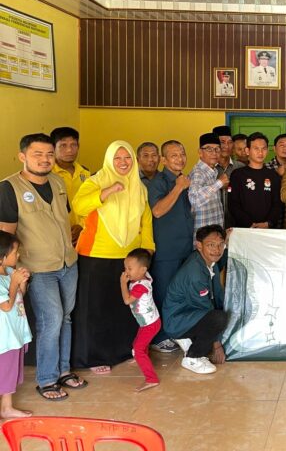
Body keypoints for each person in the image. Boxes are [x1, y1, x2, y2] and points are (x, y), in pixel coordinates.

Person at [0, 134, 85, 401]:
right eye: (38, 154)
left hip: (68, 263)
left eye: (49, 154)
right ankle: (47, 379)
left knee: (67, 317)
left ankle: (63, 370)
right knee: (51, 321)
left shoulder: (58, 182)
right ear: (22, 156)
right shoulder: (8, 188)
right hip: (37, 267)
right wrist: (12, 275)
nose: (45, 159)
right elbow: (5, 238)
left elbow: (63, 218)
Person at [71, 140, 154, 374]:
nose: (123, 162)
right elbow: (79, 206)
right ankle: (95, 356)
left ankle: (122, 351)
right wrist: (107, 192)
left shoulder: (139, 187)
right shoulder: (95, 182)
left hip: (128, 258)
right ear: (109, 160)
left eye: (127, 157)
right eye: (117, 158)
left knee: (124, 308)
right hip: (95, 256)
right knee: (96, 309)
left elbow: (145, 221)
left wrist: (147, 250)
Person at [147, 140, 193, 353]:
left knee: (179, 292)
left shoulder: (183, 179)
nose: (180, 159)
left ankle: (177, 331)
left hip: (184, 246)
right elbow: (157, 210)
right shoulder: (160, 181)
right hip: (166, 248)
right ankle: (159, 337)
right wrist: (178, 187)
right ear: (163, 160)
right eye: (174, 155)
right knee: (163, 292)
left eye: (182, 154)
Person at [163, 225, 228, 375]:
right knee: (218, 318)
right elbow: (207, 309)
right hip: (177, 320)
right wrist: (216, 346)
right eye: (211, 245)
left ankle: (188, 340)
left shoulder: (208, 261)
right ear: (199, 245)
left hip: (188, 313)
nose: (217, 250)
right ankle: (193, 357)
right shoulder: (195, 274)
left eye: (221, 245)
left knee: (219, 314)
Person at [0, 232, 32, 418]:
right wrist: (14, 283)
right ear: (2, 258)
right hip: (4, 337)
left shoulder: (11, 272)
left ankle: (6, 407)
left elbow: (20, 296)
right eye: (14, 252)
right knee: (3, 371)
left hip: (15, 332)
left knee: (10, 371)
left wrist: (22, 283)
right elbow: (6, 306)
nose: (18, 255)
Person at [119, 248, 161, 392]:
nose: (126, 272)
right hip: (150, 321)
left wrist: (122, 284)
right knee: (139, 343)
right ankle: (140, 357)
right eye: (125, 268)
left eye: (130, 268)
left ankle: (151, 379)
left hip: (149, 324)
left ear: (143, 269)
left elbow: (127, 300)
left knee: (138, 349)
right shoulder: (145, 277)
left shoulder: (140, 287)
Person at [228, 132, 283, 229]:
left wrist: (268, 223)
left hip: (267, 230)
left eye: (264, 148)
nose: (260, 152)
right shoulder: (237, 175)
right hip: (244, 229)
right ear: (247, 150)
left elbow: (277, 203)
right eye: (256, 148)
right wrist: (249, 224)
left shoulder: (273, 175)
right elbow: (233, 204)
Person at [50, 126, 90, 239]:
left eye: (74, 145)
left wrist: (81, 225)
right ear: (52, 147)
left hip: (82, 234)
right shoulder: (47, 174)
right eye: (63, 145)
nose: (69, 150)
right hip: (55, 235)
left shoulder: (85, 173)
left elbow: (90, 205)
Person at [189, 133, 229, 232]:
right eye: (209, 149)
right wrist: (219, 183)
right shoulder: (198, 172)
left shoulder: (213, 171)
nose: (214, 153)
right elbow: (194, 199)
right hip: (203, 236)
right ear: (200, 152)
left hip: (213, 233)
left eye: (217, 149)